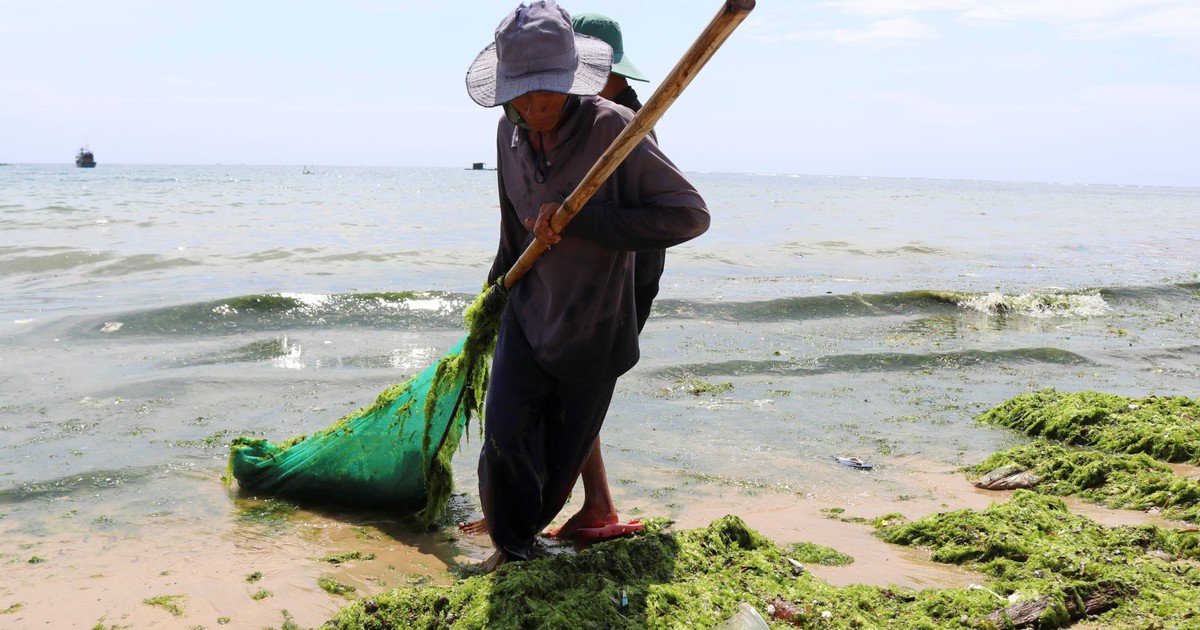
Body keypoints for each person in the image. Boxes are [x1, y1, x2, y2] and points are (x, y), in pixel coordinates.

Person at [464, 0, 708, 570]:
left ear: (573, 79)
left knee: (559, 453)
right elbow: (510, 227)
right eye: (520, 92)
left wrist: (586, 220)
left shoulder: (614, 128)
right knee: (502, 437)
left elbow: (688, 217)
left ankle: (523, 548)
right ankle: (508, 548)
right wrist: (492, 297)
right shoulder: (508, 133)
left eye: (546, 88)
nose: (534, 103)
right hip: (528, 308)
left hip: (593, 323)